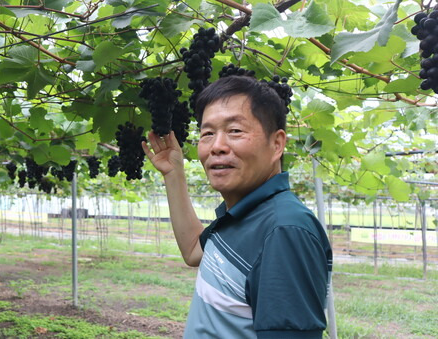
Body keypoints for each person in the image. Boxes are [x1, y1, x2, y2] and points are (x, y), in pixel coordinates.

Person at [142, 75, 332, 338]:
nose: (217, 146)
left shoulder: (283, 230)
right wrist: (174, 174)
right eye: (207, 134)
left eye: (235, 131)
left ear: (277, 144)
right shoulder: (245, 214)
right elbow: (193, 250)